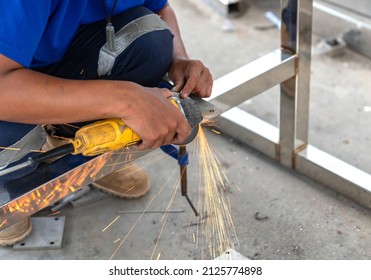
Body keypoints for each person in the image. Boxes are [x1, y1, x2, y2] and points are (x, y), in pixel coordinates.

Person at [0, 0, 213, 246]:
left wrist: (179, 58)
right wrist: (125, 99)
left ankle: (75, 142)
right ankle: (9, 186)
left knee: (151, 41)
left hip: (44, 51)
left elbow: (160, 9)